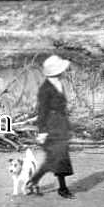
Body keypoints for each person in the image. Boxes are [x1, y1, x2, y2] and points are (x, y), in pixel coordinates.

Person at [26, 55, 75, 198]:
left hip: (62, 125)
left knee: (58, 157)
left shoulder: (59, 83)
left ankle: (33, 181)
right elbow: (42, 111)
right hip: (51, 126)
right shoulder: (45, 89)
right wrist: (42, 132)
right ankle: (62, 188)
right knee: (56, 157)